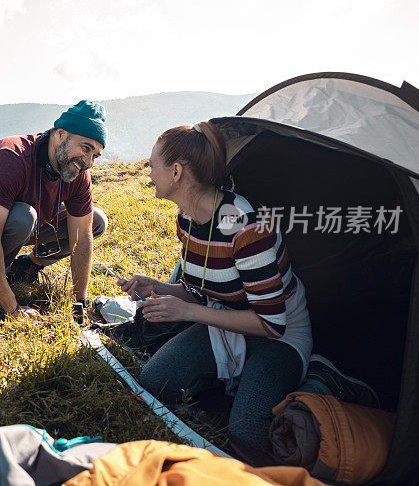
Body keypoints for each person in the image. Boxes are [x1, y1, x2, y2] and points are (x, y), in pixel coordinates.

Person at [116, 120, 313, 455]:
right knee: (153, 382)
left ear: (176, 172)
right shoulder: (186, 218)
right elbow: (199, 291)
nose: (148, 173)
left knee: (248, 434)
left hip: (278, 336)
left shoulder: (247, 228)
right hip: (222, 320)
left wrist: (189, 311)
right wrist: (158, 287)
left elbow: (271, 323)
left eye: (152, 165)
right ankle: (234, 380)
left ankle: (307, 376)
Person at [0, 100, 109, 319]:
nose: (88, 162)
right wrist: (13, 309)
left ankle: (26, 266)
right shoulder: (11, 157)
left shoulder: (78, 173)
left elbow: (82, 240)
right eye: (85, 148)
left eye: (95, 156)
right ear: (60, 134)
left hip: (27, 220)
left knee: (96, 220)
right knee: (22, 216)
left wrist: (80, 303)